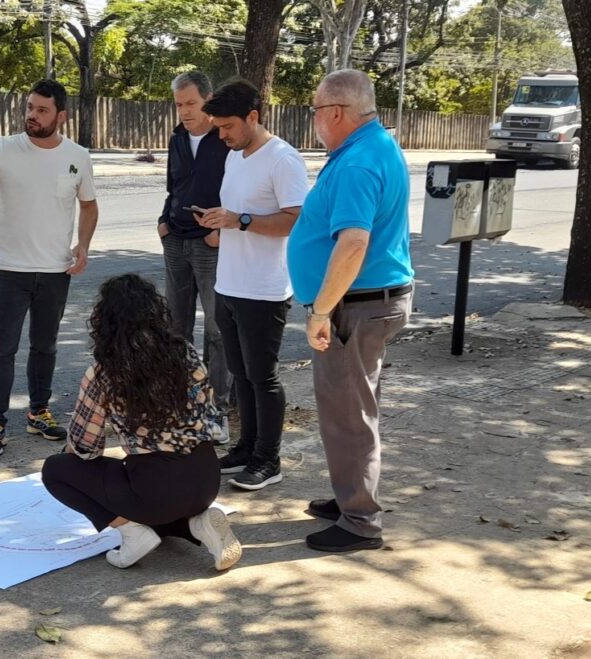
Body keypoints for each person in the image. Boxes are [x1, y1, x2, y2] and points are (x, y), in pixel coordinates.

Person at [287, 69, 414, 553]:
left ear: (336, 112)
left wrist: (320, 311)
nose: (314, 120)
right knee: (355, 407)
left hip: (354, 306)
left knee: (347, 414)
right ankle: (350, 497)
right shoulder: (375, 146)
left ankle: (360, 520)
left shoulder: (359, 161)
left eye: (316, 111)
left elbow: (354, 242)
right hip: (370, 301)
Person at [41, 274, 242, 571]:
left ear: (104, 322)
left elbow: (86, 449)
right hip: (206, 477)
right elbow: (209, 415)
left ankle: (132, 533)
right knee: (152, 500)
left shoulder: (104, 373)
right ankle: (199, 525)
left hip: (156, 489)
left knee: (56, 470)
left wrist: (80, 469)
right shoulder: (184, 352)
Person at [0, 78, 99, 458]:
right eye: (30, 107)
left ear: (60, 115)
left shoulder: (77, 155)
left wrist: (83, 246)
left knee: (44, 347)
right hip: (10, 270)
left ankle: (39, 412)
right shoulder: (5, 149)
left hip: (55, 270)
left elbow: (89, 205)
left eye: (42, 110)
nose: (32, 115)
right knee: (2, 350)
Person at [197, 79, 309, 492]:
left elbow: (295, 220)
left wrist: (240, 221)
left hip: (264, 288)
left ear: (253, 117)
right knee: (241, 375)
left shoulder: (283, 159)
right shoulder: (236, 155)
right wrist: (220, 223)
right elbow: (239, 212)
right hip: (229, 282)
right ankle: (246, 448)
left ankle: (269, 459)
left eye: (227, 127)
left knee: (263, 377)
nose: (221, 135)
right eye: (218, 127)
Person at [158, 71, 232, 441]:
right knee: (175, 328)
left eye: (191, 103)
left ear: (208, 99)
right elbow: (173, 186)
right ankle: (181, 402)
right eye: (179, 105)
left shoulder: (226, 138)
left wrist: (222, 229)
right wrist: (163, 221)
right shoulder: (177, 138)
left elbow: (240, 189)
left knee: (217, 330)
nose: (185, 112)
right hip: (176, 240)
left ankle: (216, 409)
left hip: (210, 243)